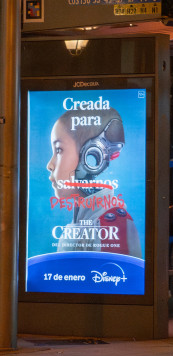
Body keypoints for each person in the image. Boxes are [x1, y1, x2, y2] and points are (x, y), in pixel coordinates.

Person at [47, 107, 141, 257]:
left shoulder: (111, 223)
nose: (49, 165)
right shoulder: (82, 220)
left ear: (89, 155)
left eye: (58, 150)